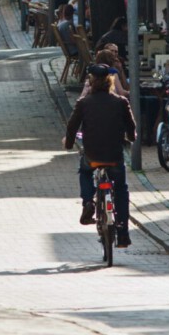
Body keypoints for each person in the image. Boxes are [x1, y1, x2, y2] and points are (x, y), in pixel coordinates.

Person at [63, 64, 137, 248]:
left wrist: (69, 143)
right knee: (121, 189)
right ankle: (123, 234)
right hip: (114, 156)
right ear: (110, 81)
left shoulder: (84, 103)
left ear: (91, 82)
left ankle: (88, 201)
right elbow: (132, 129)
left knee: (85, 171)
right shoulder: (121, 102)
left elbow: (72, 126)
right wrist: (130, 137)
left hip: (92, 155)